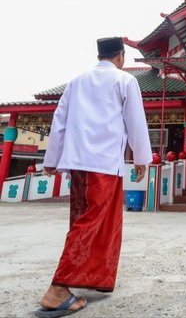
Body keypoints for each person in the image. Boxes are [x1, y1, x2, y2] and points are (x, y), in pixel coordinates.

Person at [35, 37, 152, 318]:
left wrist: (52, 159)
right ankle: (58, 288)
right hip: (104, 164)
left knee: (85, 219)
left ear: (99, 55)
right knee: (93, 222)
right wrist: (141, 158)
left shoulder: (77, 81)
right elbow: (135, 121)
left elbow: (59, 120)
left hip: (79, 164)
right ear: (121, 56)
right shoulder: (125, 81)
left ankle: (96, 278)